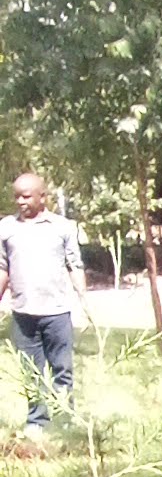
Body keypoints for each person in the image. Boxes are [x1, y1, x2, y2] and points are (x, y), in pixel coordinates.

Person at [0, 168, 89, 439]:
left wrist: (83, 302)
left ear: (42, 197)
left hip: (57, 313)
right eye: (17, 197)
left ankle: (65, 421)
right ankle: (36, 421)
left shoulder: (63, 227)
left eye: (26, 196)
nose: (21, 202)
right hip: (23, 313)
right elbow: (2, 267)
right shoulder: (6, 228)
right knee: (31, 372)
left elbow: (75, 265)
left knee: (61, 369)